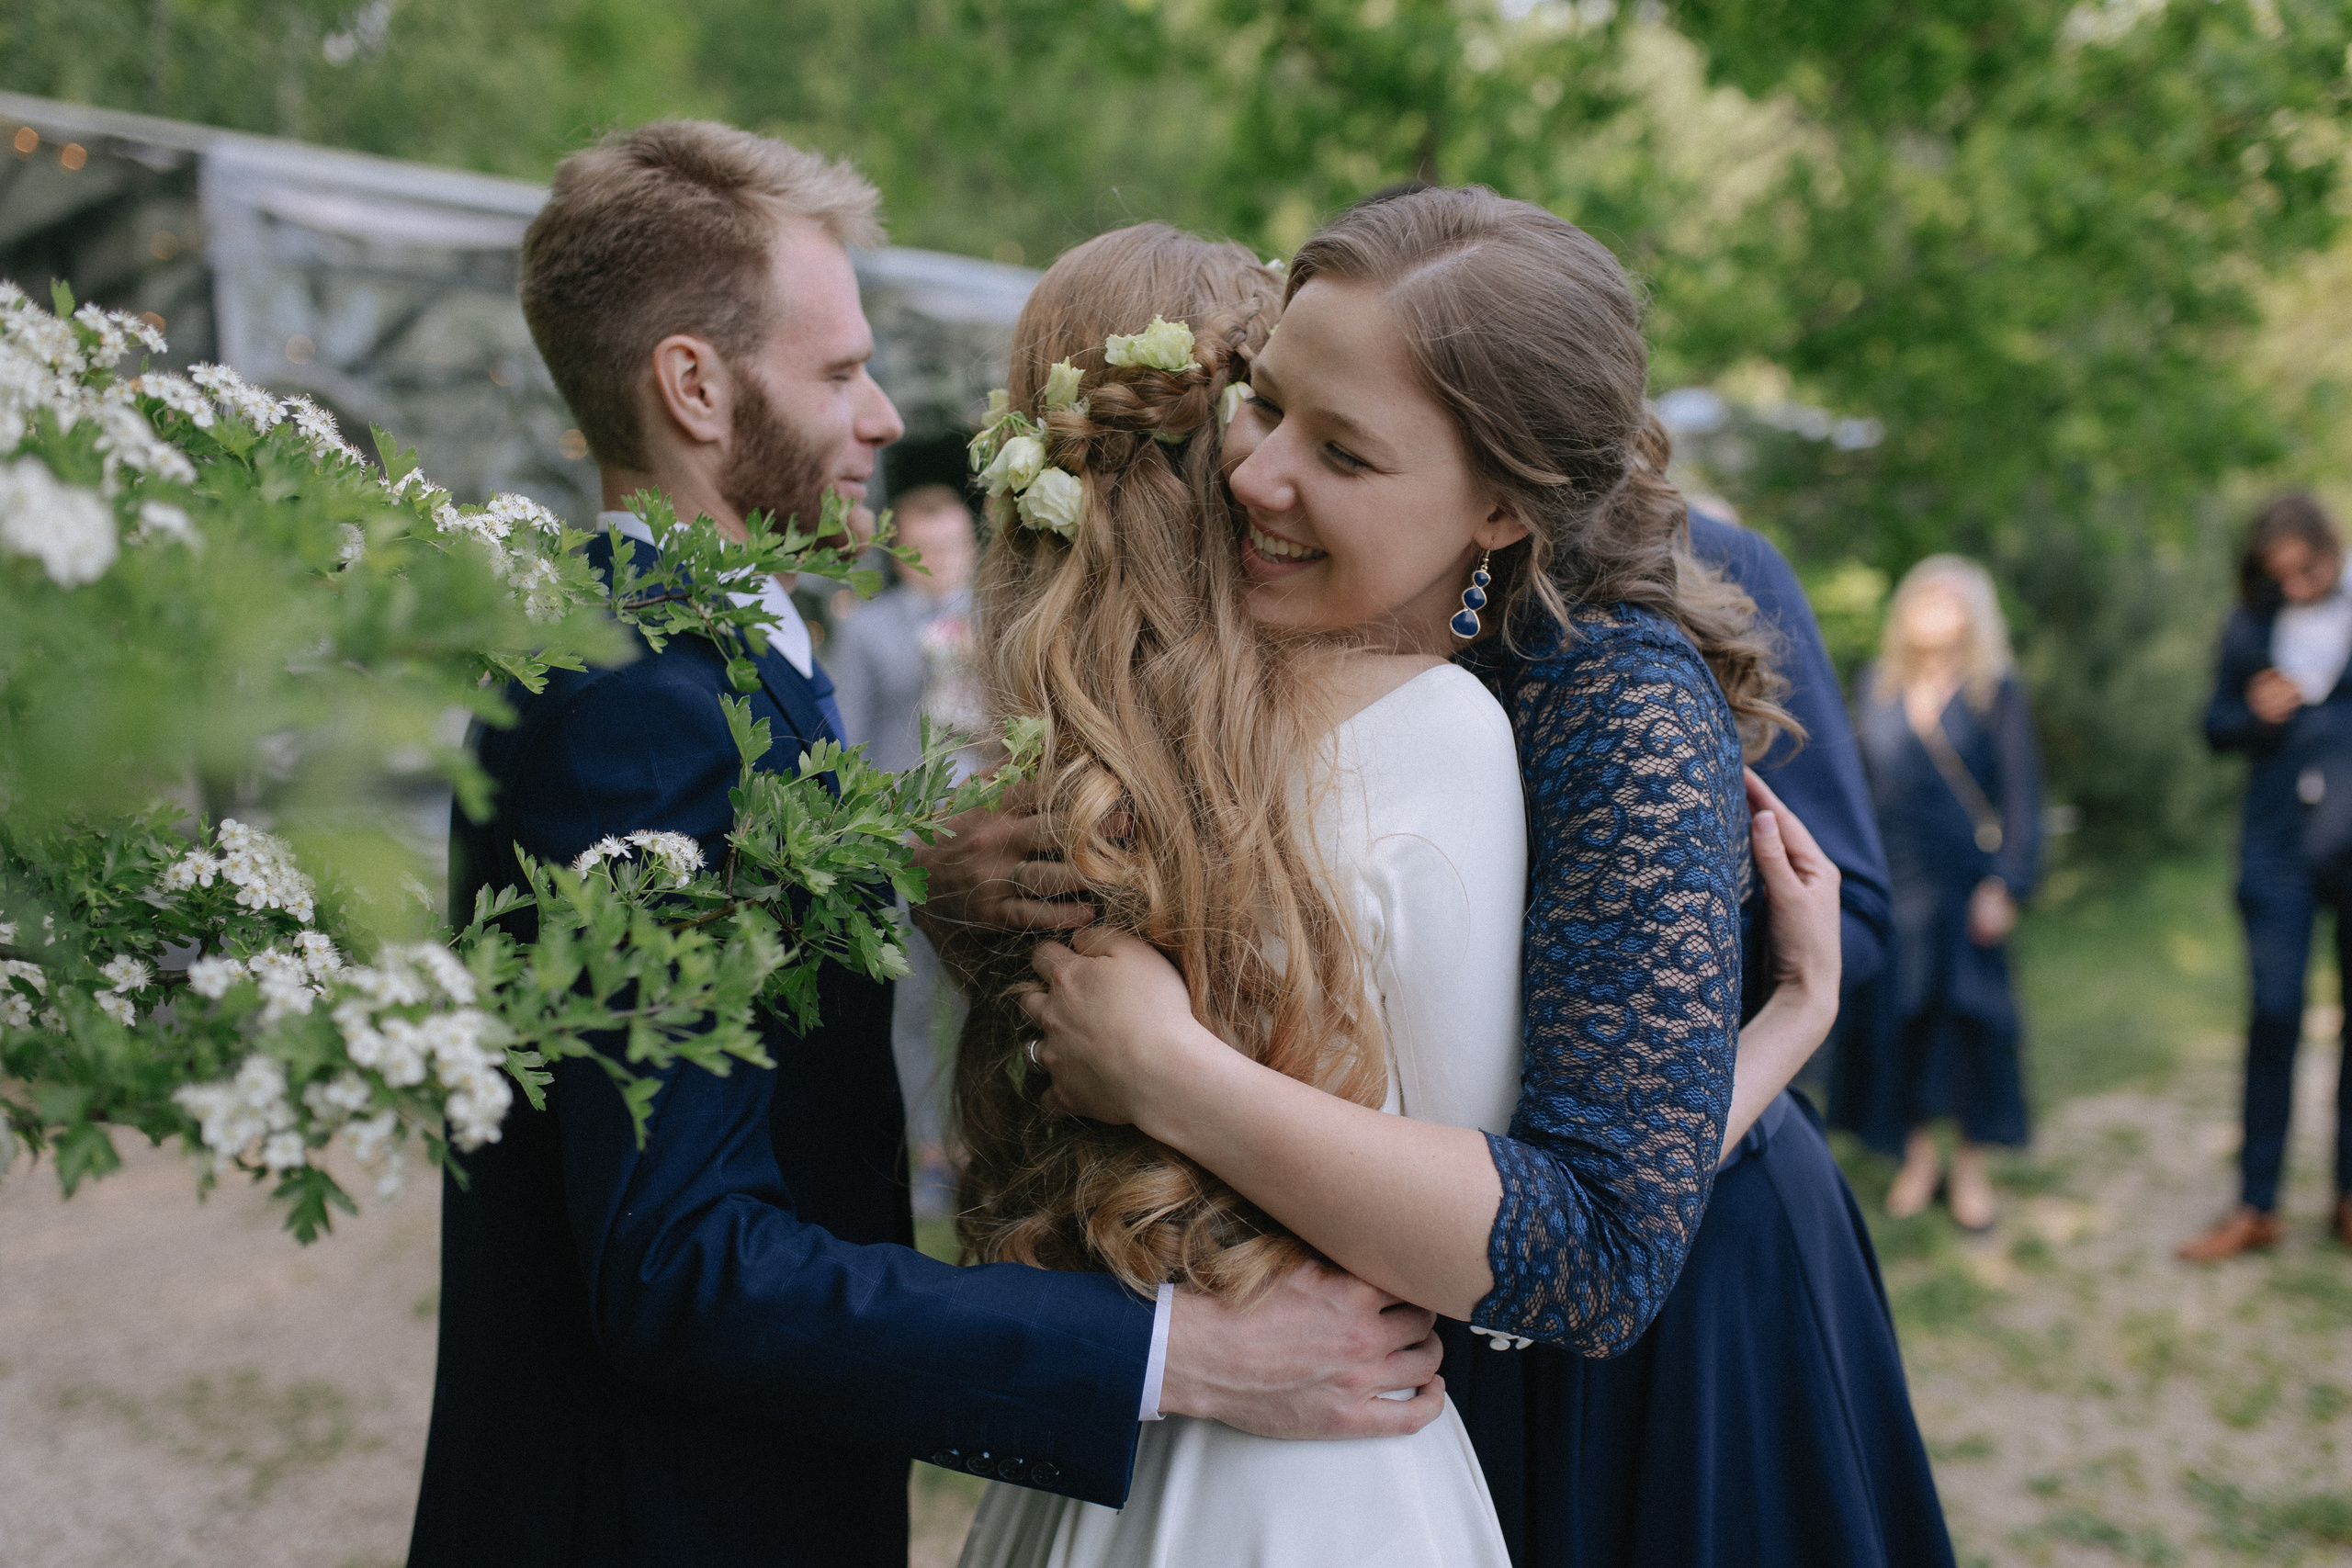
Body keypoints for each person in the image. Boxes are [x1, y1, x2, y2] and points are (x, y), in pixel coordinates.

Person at [408, 122, 1454, 1568]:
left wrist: (896, 877)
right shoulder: (642, 702)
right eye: (838, 371)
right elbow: (679, 1260)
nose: (889, 413)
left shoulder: (691, 656)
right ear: (694, 386)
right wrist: (1179, 1355)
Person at [988, 189, 1952, 1566]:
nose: (1252, 474)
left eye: (1346, 453)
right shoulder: (1276, 606)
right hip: (1375, 1312)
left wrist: (1168, 1071)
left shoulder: (1610, 700)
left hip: (1660, 1336)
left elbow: (1610, 1236)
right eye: (1265, 403)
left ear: (1501, 506)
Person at [1845, 556, 2043, 1233]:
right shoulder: (1877, 685)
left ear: (1974, 613)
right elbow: (1860, 790)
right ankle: (1918, 1157)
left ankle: (1970, 1167)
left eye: (1952, 595)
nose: (1936, 604)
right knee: (1901, 1019)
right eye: (1924, 592)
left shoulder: (1995, 690)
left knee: (1967, 1025)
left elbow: (2021, 798)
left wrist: (2007, 881)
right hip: (1894, 880)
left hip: (1965, 882)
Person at [2181, 493, 2352, 1260]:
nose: (2296, 584)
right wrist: (2254, 711)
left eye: (2307, 569)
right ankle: (2257, 1204)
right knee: (2274, 1014)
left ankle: (2347, 1196)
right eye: (2278, 574)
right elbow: (2214, 725)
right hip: (2276, 850)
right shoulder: (2249, 620)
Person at [829, 482, 983, 1213]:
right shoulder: (868, 631)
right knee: (910, 1003)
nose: (943, 562)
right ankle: (927, 1148)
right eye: (927, 550)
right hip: (900, 852)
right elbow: (846, 742)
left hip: (986, 841)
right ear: (899, 555)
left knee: (983, 1002)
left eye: (956, 546)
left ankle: (983, 1142)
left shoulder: (1002, 617)